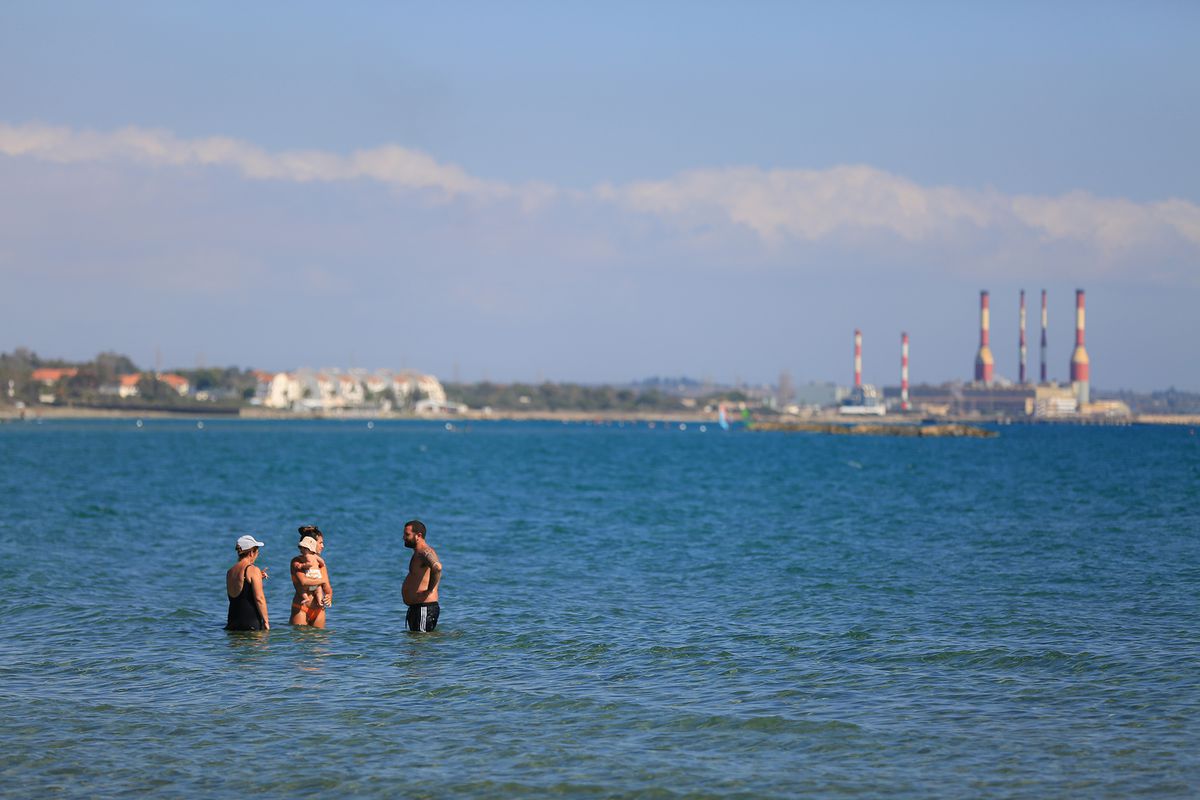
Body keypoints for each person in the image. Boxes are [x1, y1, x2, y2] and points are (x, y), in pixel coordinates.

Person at [402, 519, 442, 632]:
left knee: (422, 641)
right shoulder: (418, 553)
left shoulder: (425, 552)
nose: (403, 537)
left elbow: (437, 567)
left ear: (418, 536)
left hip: (424, 607)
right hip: (418, 608)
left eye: (407, 534)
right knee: (416, 641)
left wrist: (430, 589)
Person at [226, 534, 269, 631]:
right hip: (251, 623)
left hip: (232, 623)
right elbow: (259, 598)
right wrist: (266, 621)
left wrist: (257, 578)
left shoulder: (230, 572)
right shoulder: (253, 570)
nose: (257, 554)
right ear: (251, 553)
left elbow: (240, 593)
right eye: (257, 551)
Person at [290, 527, 331, 627]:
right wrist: (322, 581)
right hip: (301, 608)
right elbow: (303, 581)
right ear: (311, 543)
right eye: (320, 543)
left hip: (319, 610)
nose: (323, 546)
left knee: (319, 637)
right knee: (299, 636)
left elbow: (327, 587)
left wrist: (329, 596)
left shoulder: (320, 564)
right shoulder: (297, 561)